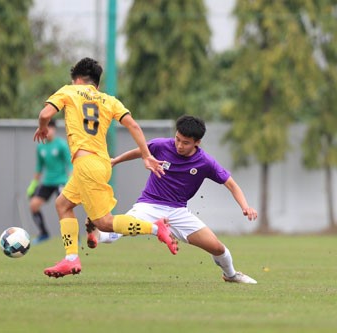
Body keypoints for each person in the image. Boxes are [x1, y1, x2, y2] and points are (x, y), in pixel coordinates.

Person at [33, 57, 178, 278]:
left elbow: (45, 114)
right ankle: (71, 259)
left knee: (105, 223)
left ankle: (157, 227)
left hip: (86, 164)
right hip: (101, 162)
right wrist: (146, 155)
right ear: (96, 84)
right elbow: (133, 125)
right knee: (63, 204)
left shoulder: (69, 91)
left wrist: (43, 127)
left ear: (77, 80)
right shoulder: (109, 100)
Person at [87, 115, 258, 284]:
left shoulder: (205, 162)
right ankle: (97, 235)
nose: (179, 145)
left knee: (217, 248)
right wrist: (116, 161)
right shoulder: (162, 145)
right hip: (148, 205)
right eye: (177, 139)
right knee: (116, 231)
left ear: (197, 142)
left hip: (178, 212)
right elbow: (141, 152)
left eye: (185, 142)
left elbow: (231, 184)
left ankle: (230, 275)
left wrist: (245, 206)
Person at [27, 118, 72, 244]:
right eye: (46, 128)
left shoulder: (61, 145)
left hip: (61, 181)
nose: (49, 131)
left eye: (51, 128)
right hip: (48, 182)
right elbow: (39, 167)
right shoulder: (41, 147)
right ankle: (44, 233)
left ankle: (74, 237)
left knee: (65, 208)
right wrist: (34, 183)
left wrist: (70, 179)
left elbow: (70, 163)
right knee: (33, 205)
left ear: (54, 129)